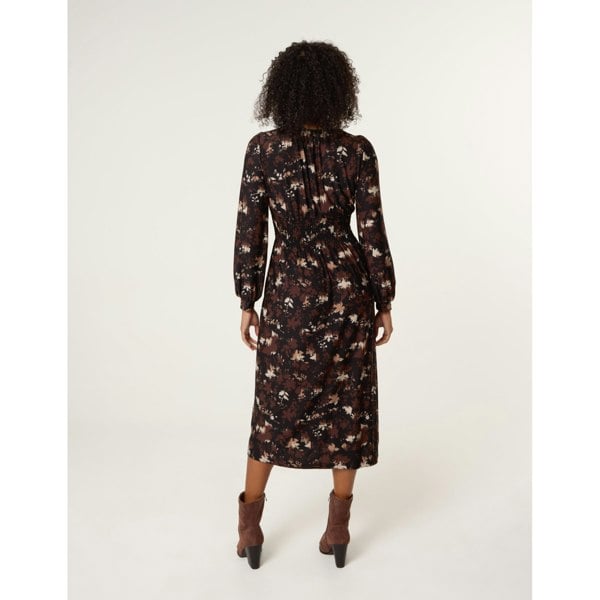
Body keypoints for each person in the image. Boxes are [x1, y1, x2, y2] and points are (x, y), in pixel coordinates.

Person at [233, 40, 396, 569]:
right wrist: (383, 298)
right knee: (347, 403)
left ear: (280, 90)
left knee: (273, 406)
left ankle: (250, 527)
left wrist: (248, 297)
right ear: (338, 91)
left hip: (288, 293)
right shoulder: (357, 151)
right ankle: (337, 529)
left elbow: (251, 230)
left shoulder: (263, 150)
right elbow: (371, 231)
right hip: (348, 291)